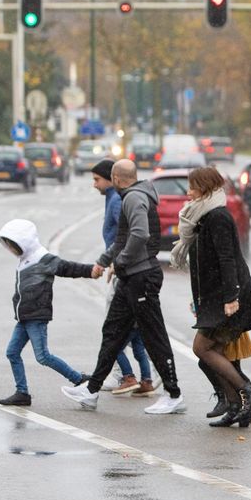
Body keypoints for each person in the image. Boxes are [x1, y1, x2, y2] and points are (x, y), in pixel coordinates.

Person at [61, 159, 184, 414]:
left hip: (142, 277)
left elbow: (140, 235)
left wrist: (121, 261)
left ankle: (173, 394)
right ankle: (91, 390)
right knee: (113, 331)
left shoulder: (133, 198)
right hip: (131, 278)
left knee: (154, 335)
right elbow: (122, 238)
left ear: (116, 178)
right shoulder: (130, 196)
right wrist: (104, 261)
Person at [172, 166, 251, 427]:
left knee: (202, 348)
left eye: (192, 186)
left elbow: (227, 259)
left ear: (204, 187)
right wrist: (199, 300)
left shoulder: (217, 217)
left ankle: (250, 395)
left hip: (231, 297)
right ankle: (238, 405)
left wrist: (231, 297)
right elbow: (202, 266)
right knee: (217, 353)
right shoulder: (201, 216)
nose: (188, 192)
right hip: (215, 297)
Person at [0, 219, 96, 407]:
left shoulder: (43, 259)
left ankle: (80, 380)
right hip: (24, 318)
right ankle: (22, 392)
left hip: (36, 316)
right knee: (12, 352)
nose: (11, 249)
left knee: (43, 356)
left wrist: (91, 270)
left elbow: (68, 268)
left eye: (14, 245)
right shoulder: (25, 259)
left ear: (24, 242)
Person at [91, 159, 156, 397]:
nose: (94, 184)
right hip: (127, 268)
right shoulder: (116, 198)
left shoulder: (119, 200)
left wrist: (114, 262)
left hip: (126, 270)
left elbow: (128, 235)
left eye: (97, 179)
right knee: (135, 330)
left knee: (113, 328)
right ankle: (146, 377)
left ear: (113, 179)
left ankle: (126, 376)